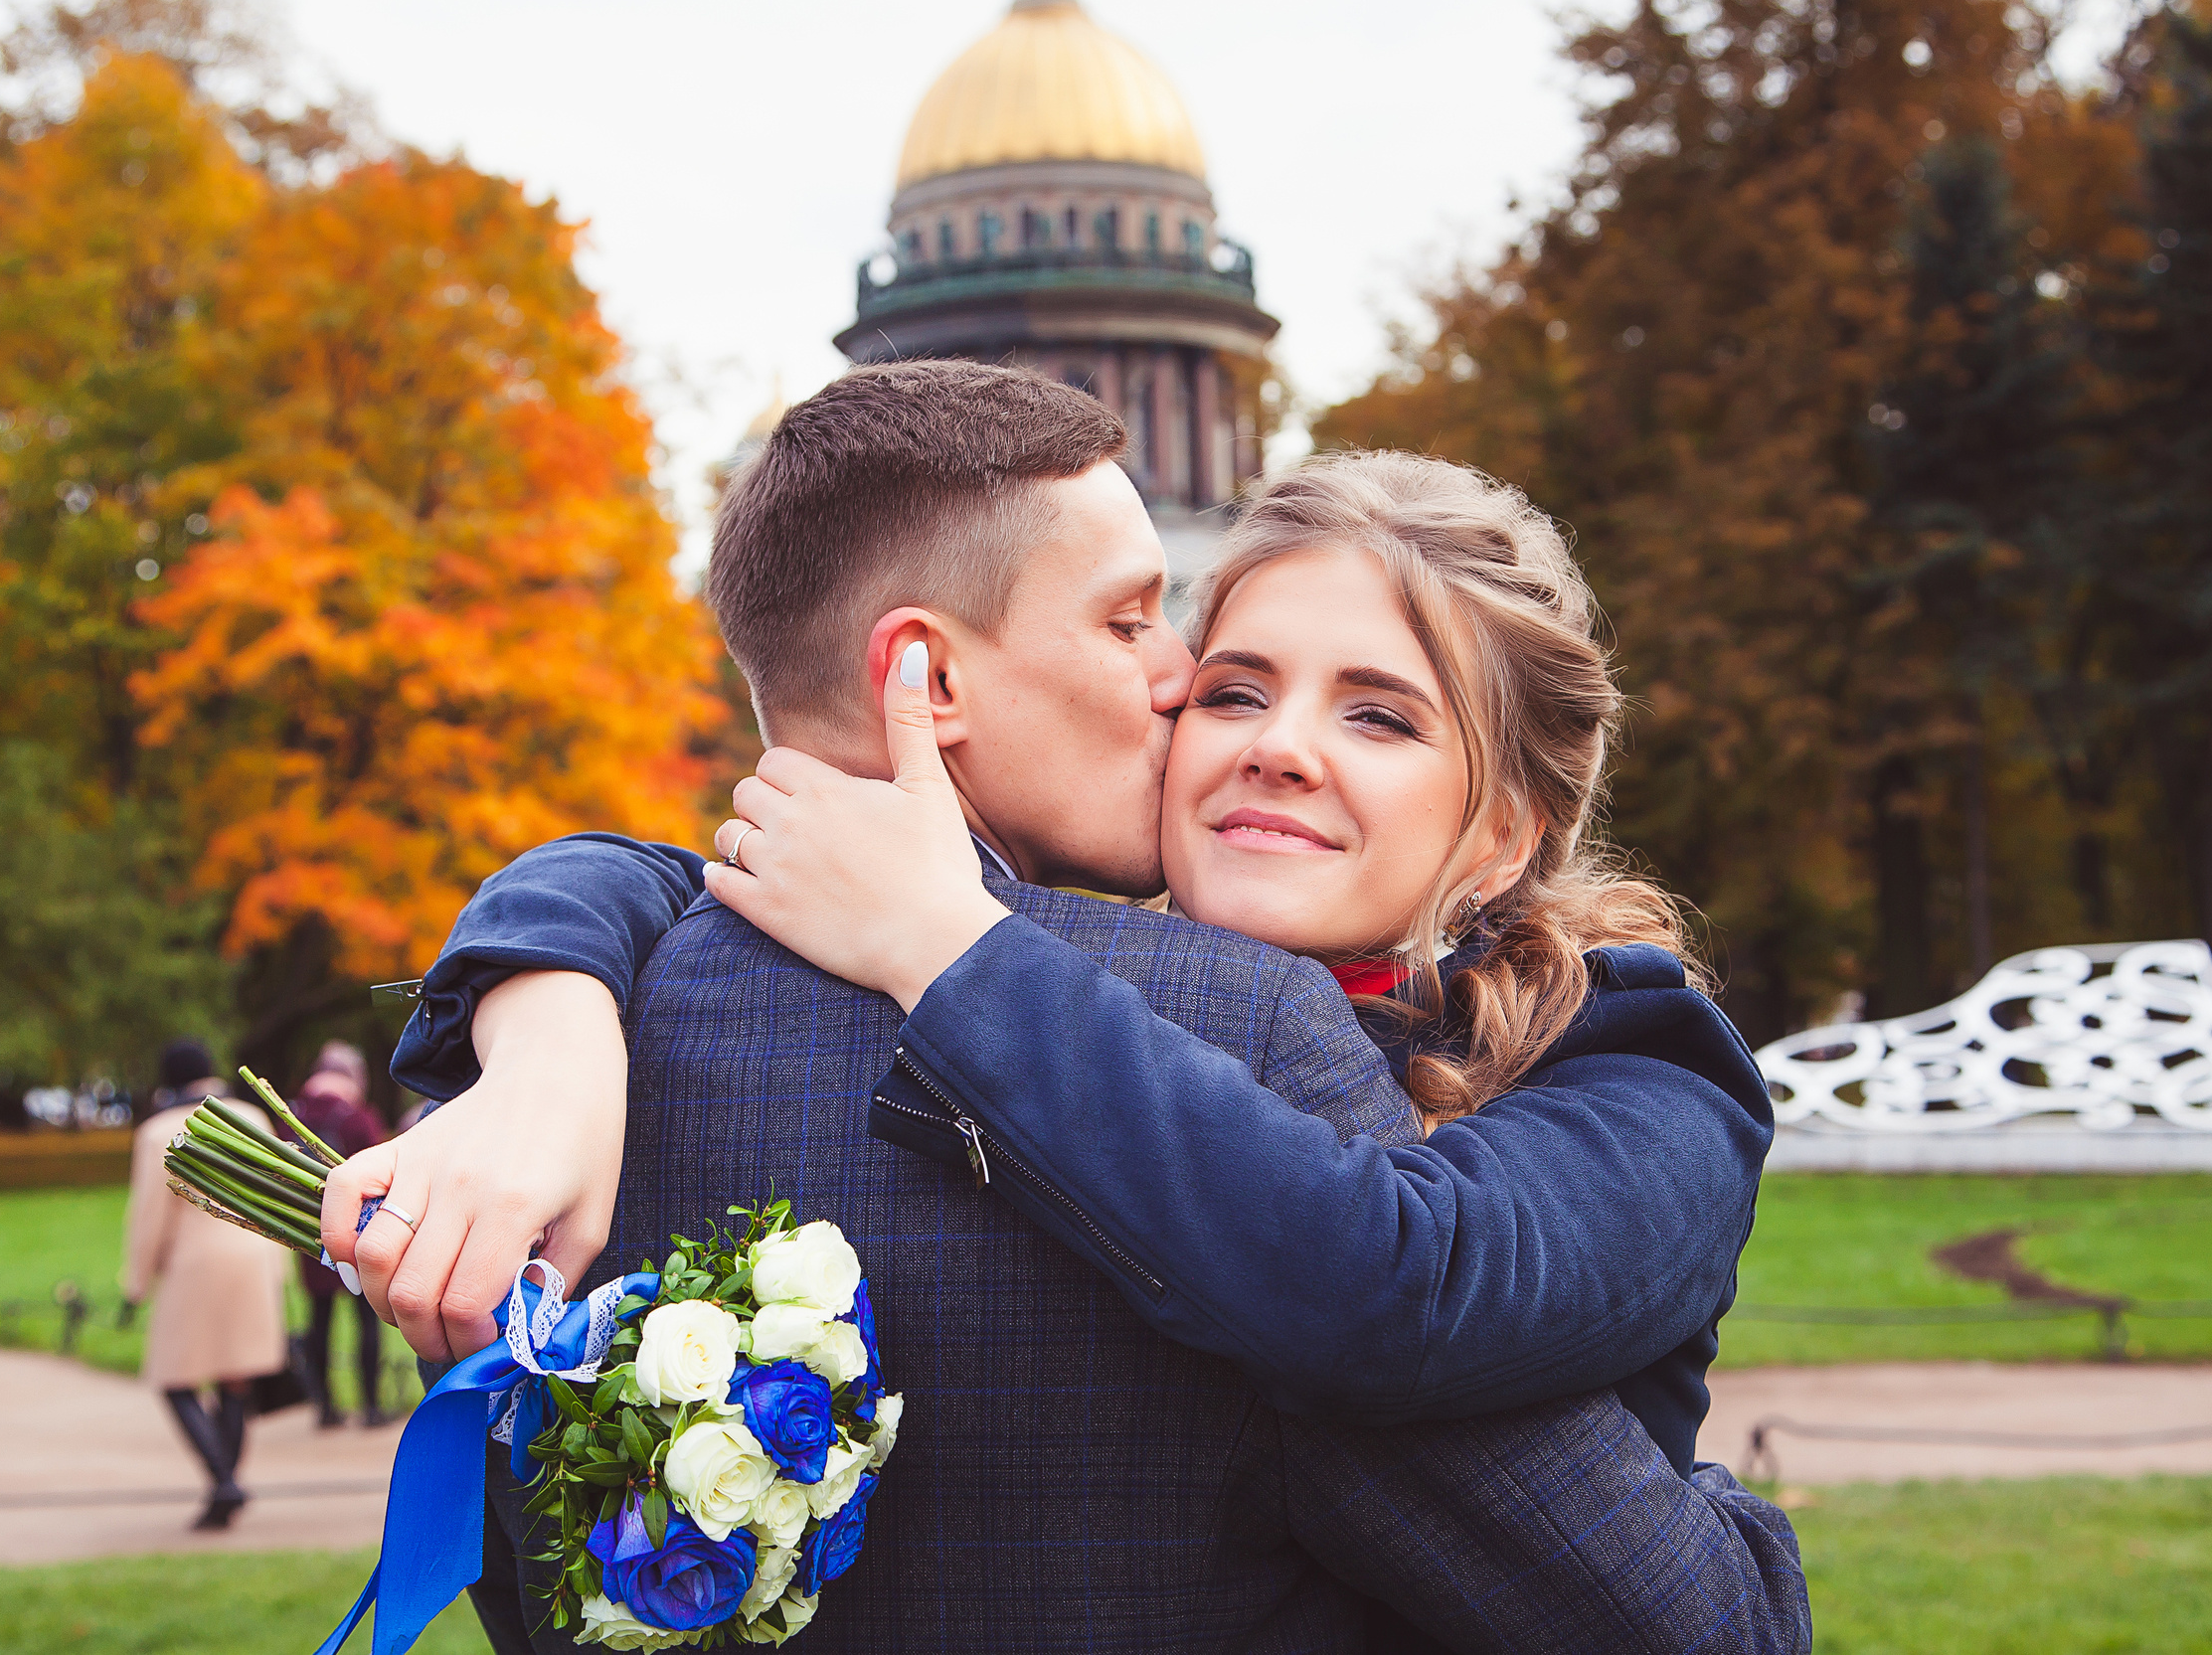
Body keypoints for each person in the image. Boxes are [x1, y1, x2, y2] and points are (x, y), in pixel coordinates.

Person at [328, 363, 1808, 1651]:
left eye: (1378, 711)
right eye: (1222, 681)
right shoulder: (1232, 1036)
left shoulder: (1638, 1059)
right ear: (924, 673)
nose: (1209, 712)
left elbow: (1391, 1274)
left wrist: (944, 946)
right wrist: (543, 1025)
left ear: (1508, 829)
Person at [123, 1038, 292, 1530]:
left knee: (173, 1377)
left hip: (192, 1265)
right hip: (254, 1255)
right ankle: (227, 1481)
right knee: (235, 1379)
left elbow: (148, 1218)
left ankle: (223, 1480)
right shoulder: (251, 1119)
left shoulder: (158, 1132)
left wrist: (136, 1284)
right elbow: (275, 1191)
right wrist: (278, 1266)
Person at [286, 1041, 394, 1428]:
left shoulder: (293, 1113)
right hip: (359, 1232)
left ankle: (326, 1407)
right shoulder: (357, 1117)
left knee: (320, 1319)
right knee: (366, 1319)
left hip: (307, 1231)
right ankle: (370, 1406)